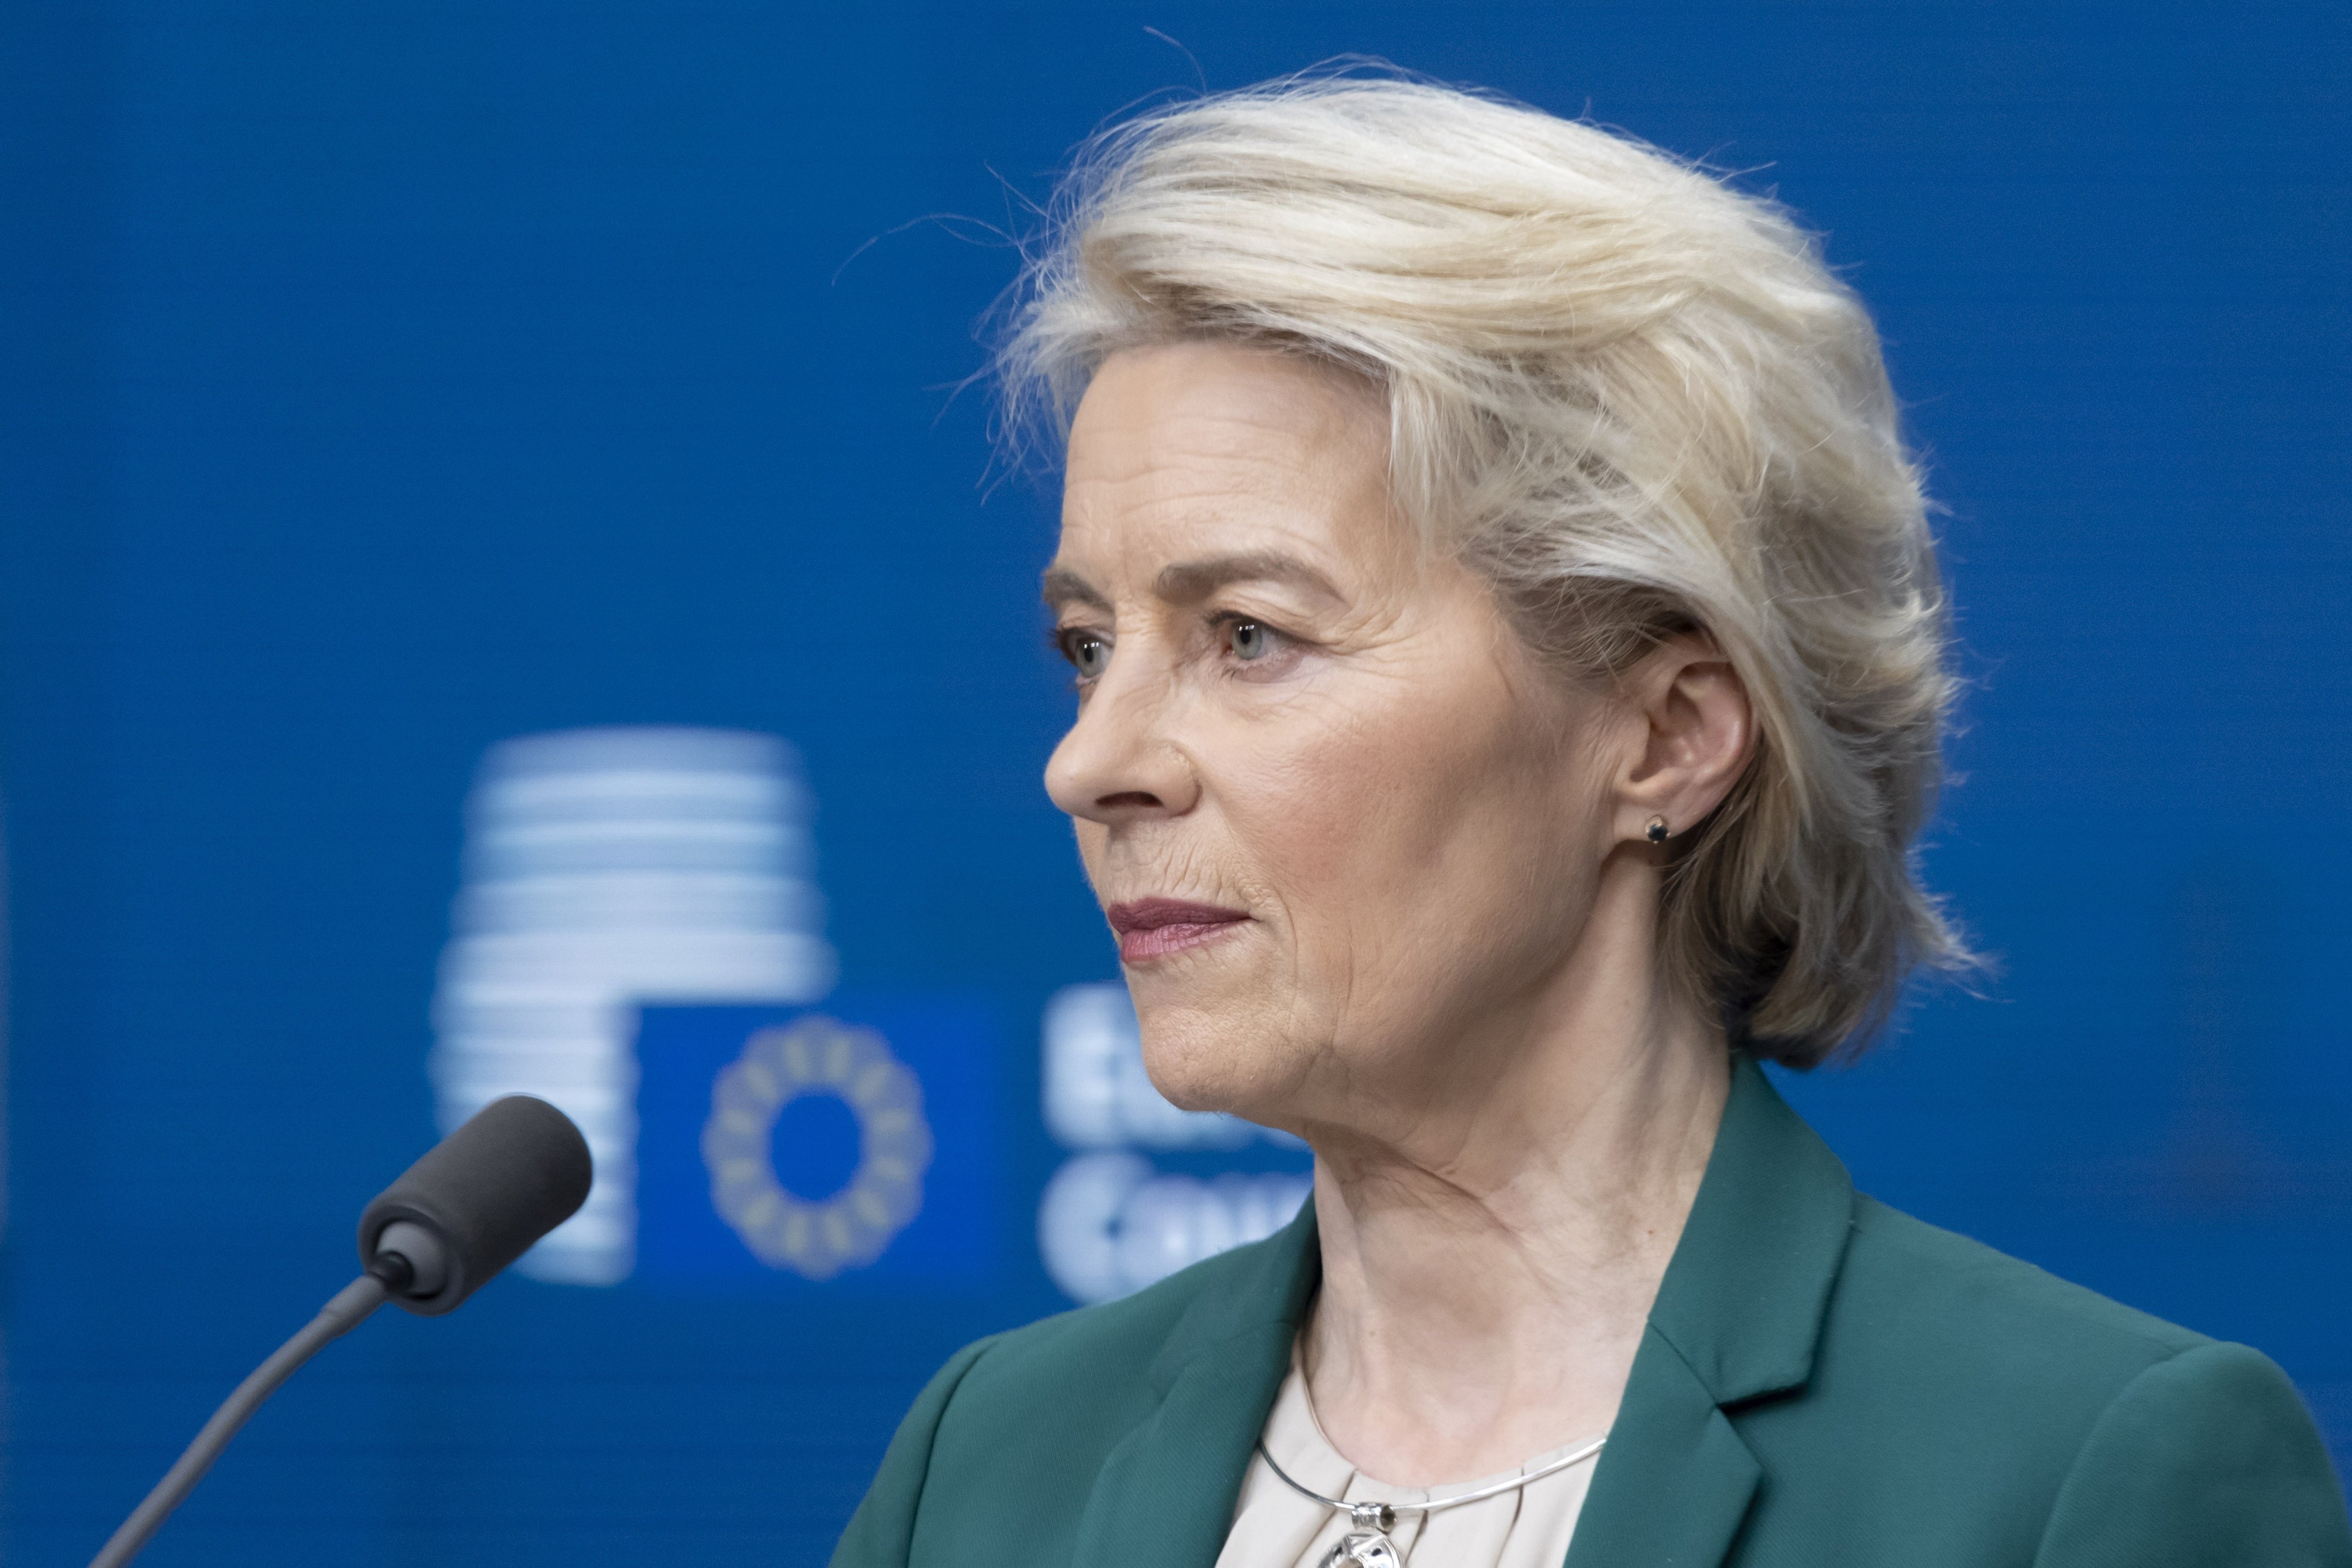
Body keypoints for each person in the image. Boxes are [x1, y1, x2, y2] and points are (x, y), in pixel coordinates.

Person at [831, 73, 2352, 1568]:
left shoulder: (2082, 1477)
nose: (1089, 762)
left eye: (1246, 634)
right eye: (1088, 646)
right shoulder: (986, 1458)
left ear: (1666, 734)